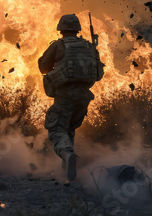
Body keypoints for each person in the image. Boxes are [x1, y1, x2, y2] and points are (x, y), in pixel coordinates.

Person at [38, 14, 104, 181]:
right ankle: (66, 167)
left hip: (65, 94)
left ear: (61, 30)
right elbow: (99, 74)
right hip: (84, 96)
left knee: (56, 129)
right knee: (69, 128)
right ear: (77, 30)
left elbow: (43, 67)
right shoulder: (89, 46)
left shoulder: (59, 45)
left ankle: (67, 155)